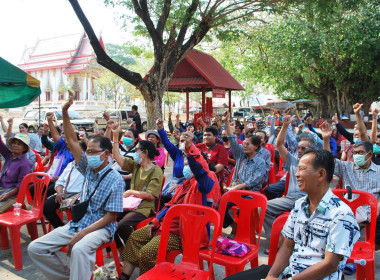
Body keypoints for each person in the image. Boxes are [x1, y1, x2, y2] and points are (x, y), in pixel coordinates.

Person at [28, 92, 124, 280]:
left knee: (79, 249)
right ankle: (70, 277)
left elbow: (110, 217)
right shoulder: (88, 169)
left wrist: (83, 234)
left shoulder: (116, 179)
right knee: (36, 248)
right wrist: (65, 111)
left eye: (92, 152)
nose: (88, 155)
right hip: (78, 222)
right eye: (87, 151)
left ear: (105, 154)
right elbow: (71, 141)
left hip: (101, 229)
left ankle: (82, 276)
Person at [225, 150, 360, 280]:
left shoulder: (341, 214)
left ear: (321, 174)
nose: (296, 174)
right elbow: (287, 245)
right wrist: (271, 276)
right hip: (291, 271)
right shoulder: (299, 205)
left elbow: (330, 265)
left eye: (302, 169)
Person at [118, 131, 220, 279]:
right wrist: (155, 221)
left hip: (181, 233)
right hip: (162, 226)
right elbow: (169, 206)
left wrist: (191, 149)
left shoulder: (204, 184)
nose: (186, 167)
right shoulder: (181, 186)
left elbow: (201, 170)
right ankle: (124, 277)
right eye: (185, 164)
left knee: (146, 253)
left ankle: (149, 277)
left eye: (189, 164)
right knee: (134, 237)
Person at [111, 123, 163, 250]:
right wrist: (115, 136)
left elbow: (151, 195)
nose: (134, 153)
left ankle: (136, 250)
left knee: (121, 225)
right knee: (108, 222)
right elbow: (117, 157)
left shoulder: (156, 171)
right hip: (130, 204)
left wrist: (130, 192)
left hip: (144, 208)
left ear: (144, 153)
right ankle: (123, 251)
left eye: (136, 151)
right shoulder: (136, 165)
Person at [263, 114, 315, 237]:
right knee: (264, 207)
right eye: (298, 147)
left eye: (303, 148)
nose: (300, 150)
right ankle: (277, 241)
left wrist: (326, 140)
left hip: (311, 200)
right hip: (292, 198)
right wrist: (285, 126)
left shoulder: (317, 162)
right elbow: (279, 144)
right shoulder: (293, 161)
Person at [222, 111, 266, 237]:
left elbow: (255, 180)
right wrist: (226, 122)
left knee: (244, 208)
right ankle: (234, 225)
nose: (244, 146)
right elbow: (232, 140)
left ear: (256, 146)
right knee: (220, 204)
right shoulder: (240, 155)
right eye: (244, 144)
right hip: (235, 191)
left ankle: (244, 234)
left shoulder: (260, 162)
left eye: (248, 144)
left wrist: (240, 187)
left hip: (251, 193)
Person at [42, 141, 86, 229]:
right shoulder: (71, 164)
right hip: (64, 194)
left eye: (74, 147)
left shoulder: (86, 165)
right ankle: (60, 228)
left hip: (79, 196)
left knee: (77, 210)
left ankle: (75, 231)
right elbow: (60, 181)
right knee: (46, 207)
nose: (69, 147)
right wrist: (59, 192)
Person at [156, 119, 185, 209]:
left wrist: (182, 185)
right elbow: (167, 144)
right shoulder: (178, 153)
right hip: (173, 183)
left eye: (185, 141)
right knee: (158, 199)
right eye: (181, 141)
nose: (183, 143)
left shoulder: (196, 156)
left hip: (186, 187)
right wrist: (161, 129)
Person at [0, 133, 32, 213]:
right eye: (14, 143)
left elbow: (21, 184)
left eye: (19, 144)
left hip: (12, 196)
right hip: (2, 189)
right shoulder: (9, 155)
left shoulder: (25, 164)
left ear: (24, 148)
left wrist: (9, 194)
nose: (15, 145)